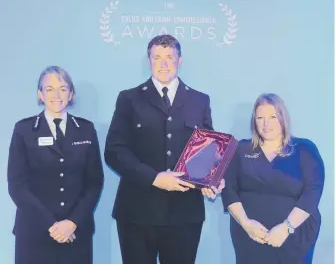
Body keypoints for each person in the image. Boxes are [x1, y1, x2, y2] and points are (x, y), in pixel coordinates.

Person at [104, 34, 224, 264]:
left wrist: (214, 178)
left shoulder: (200, 100)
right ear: (149, 61)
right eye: (157, 57)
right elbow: (114, 151)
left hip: (184, 213)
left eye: (169, 57)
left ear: (180, 60)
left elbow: (209, 152)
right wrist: (154, 178)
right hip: (137, 212)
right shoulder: (129, 98)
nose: (164, 63)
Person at [7, 66, 104, 264]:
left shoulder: (86, 130)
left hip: (76, 232)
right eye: (49, 89)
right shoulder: (24, 130)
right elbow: (17, 185)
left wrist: (72, 223)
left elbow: (94, 182)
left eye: (63, 88)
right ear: (40, 95)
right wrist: (52, 225)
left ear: (71, 94)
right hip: (34, 231)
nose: (56, 95)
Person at [221, 93, 325, 264]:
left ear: (283, 118)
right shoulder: (240, 149)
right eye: (260, 118)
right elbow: (228, 189)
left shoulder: (305, 149)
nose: (266, 124)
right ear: (254, 121)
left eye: (272, 117)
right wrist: (246, 224)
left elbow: (313, 191)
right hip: (250, 237)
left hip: (295, 236)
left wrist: (286, 228)